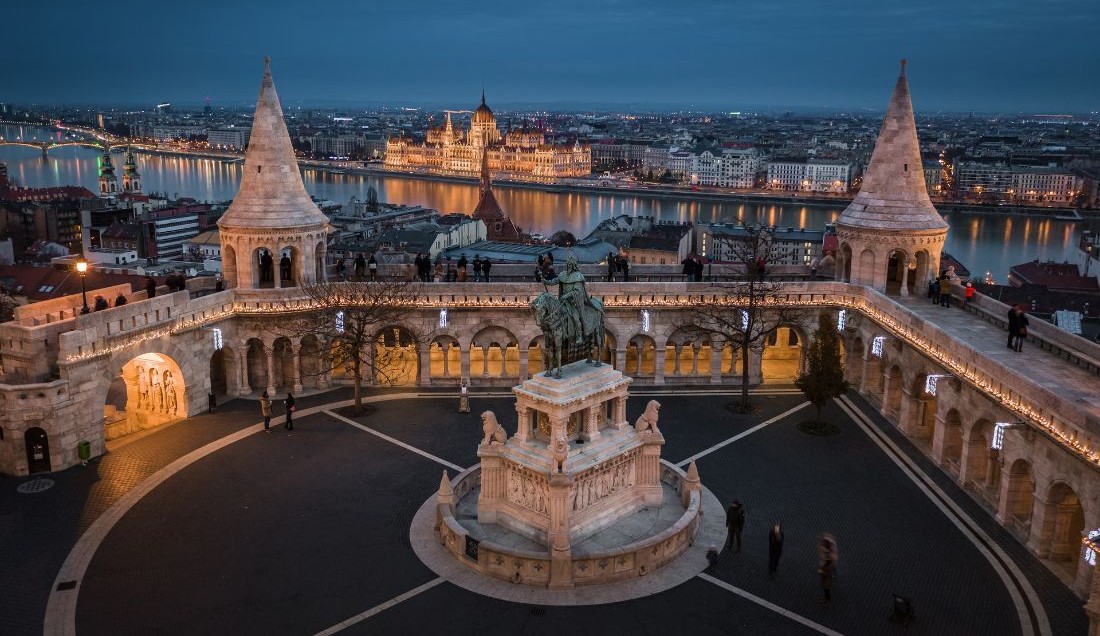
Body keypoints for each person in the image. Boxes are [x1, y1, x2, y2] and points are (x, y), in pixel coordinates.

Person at [543, 255, 603, 346]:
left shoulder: (578, 276)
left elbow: (577, 291)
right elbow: (554, 281)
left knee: (575, 318)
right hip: (563, 301)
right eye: (567, 265)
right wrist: (545, 281)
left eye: (570, 265)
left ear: (574, 266)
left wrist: (567, 295)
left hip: (574, 302)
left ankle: (579, 336)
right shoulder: (563, 274)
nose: (568, 267)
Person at [818, 534, 838, 606]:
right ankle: (826, 599)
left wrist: (824, 570)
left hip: (827, 571)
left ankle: (828, 601)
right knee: (824, 585)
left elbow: (830, 563)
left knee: (826, 586)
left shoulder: (830, 555)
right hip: (826, 570)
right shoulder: (827, 551)